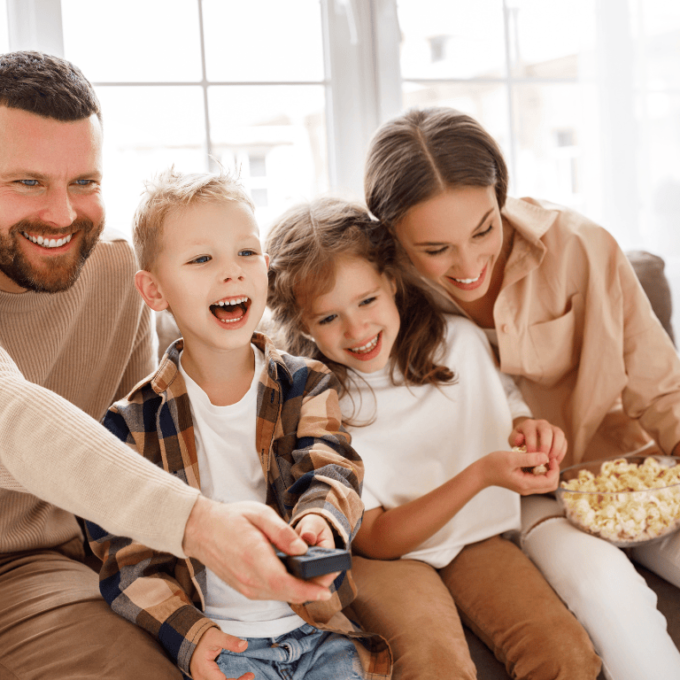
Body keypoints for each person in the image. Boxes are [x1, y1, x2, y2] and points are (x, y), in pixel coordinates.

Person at [0, 50, 338, 680]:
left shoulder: (111, 275)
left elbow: (140, 451)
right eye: (26, 182)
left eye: (84, 182)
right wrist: (199, 525)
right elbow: (12, 417)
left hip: (46, 567)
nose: (62, 214)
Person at [361, 106, 680, 680]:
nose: (468, 263)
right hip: (522, 504)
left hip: (623, 473)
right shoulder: (380, 299)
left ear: (501, 195)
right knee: (607, 592)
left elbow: (663, 392)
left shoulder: (580, 247)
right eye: (436, 249)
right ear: (392, 238)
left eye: (485, 228)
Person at [265, 196, 601, 680]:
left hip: (477, 541)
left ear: (392, 282)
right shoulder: (315, 401)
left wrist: (531, 432)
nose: (358, 328)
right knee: (434, 666)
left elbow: (509, 410)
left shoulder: (460, 344)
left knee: (565, 655)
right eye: (328, 317)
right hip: (386, 560)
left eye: (367, 300)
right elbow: (379, 539)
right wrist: (483, 473)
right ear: (302, 325)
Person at [86, 170, 391, 680]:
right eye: (203, 259)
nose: (232, 273)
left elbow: (331, 469)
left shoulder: (306, 385)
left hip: (317, 632)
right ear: (154, 290)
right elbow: (126, 559)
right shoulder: (128, 426)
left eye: (247, 253)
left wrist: (320, 523)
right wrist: (192, 634)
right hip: (224, 642)